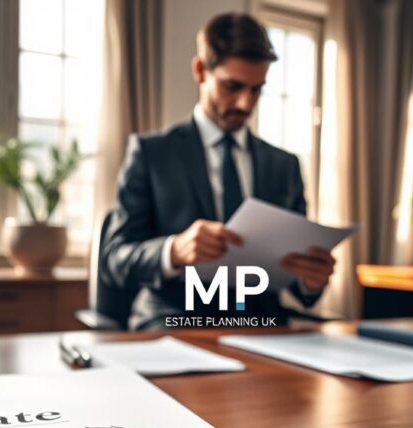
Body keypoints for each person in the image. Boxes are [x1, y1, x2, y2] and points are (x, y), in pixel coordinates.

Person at [102, 12, 336, 330]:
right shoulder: (151, 154)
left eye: (256, 90)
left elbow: (299, 284)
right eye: (232, 86)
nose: (245, 103)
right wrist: (174, 250)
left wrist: (311, 279)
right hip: (174, 323)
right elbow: (114, 260)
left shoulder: (285, 166)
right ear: (201, 71)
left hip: (261, 328)